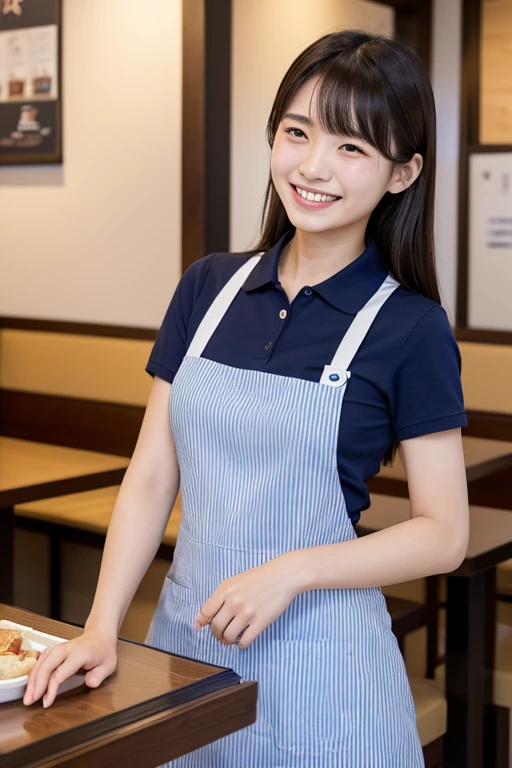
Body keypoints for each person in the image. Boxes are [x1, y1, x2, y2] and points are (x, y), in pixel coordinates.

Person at [23, 29, 470, 767]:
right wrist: (101, 626)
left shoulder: (410, 327)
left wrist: (293, 569)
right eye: (298, 133)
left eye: (352, 148)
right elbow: (150, 477)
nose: (314, 166)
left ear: (402, 173)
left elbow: (444, 534)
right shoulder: (207, 286)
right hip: (185, 647)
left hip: (325, 667)